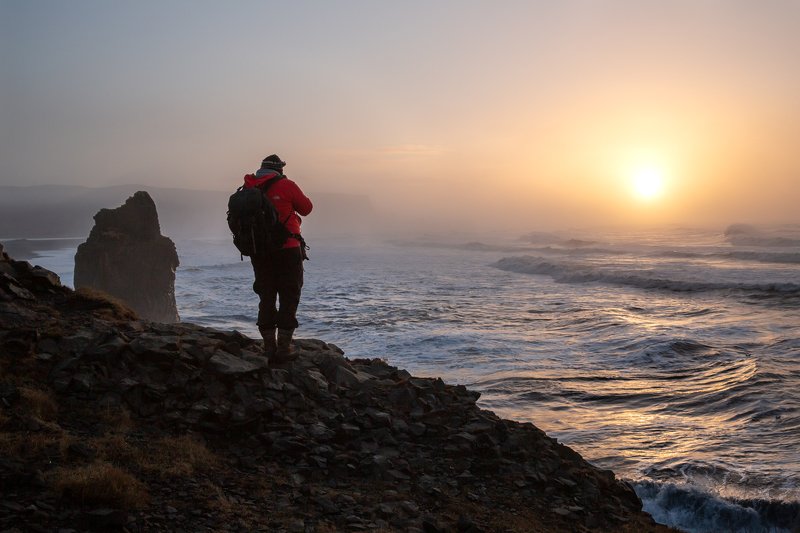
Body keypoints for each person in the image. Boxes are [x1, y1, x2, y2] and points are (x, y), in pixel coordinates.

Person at [243, 154, 312, 363]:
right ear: (279, 169)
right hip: (287, 248)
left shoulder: (249, 188)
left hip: (260, 252)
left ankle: (268, 347)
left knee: (266, 294)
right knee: (290, 294)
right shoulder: (287, 185)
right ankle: (284, 347)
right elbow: (307, 208)